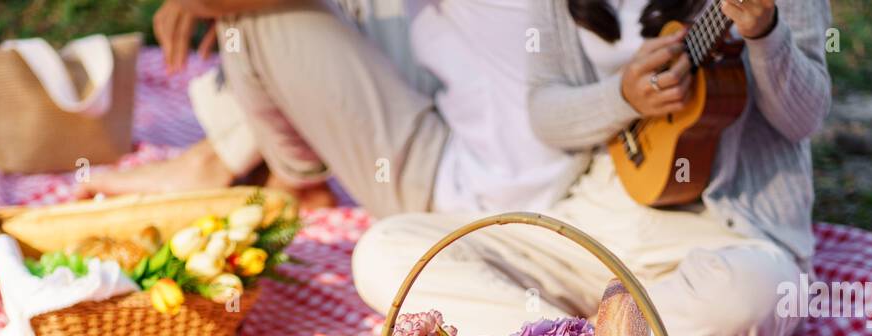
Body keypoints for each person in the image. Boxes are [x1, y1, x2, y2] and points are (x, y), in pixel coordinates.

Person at [351, 0, 833, 336]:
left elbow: (805, 116)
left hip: (725, 237)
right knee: (385, 252)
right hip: (599, 217)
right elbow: (546, 113)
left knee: (758, 293)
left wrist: (766, 33)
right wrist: (621, 98)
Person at [86, 1, 580, 219]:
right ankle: (241, 161)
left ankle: (289, 179)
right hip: (549, 152)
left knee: (254, 13)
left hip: (471, 196)